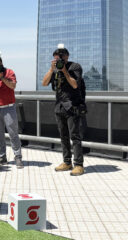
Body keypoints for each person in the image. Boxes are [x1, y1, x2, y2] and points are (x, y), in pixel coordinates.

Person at [42, 44, 86, 176]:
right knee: (63, 136)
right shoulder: (54, 70)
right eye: (57, 59)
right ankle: (67, 162)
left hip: (72, 106)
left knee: (75, 136)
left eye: (62, 58)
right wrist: (52, 69)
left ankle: (79, 165)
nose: (60, 61)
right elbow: (44, 83)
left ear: (67, 56)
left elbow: (74, 84)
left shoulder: (75, 67)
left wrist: (65, 71)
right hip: (59, 106)